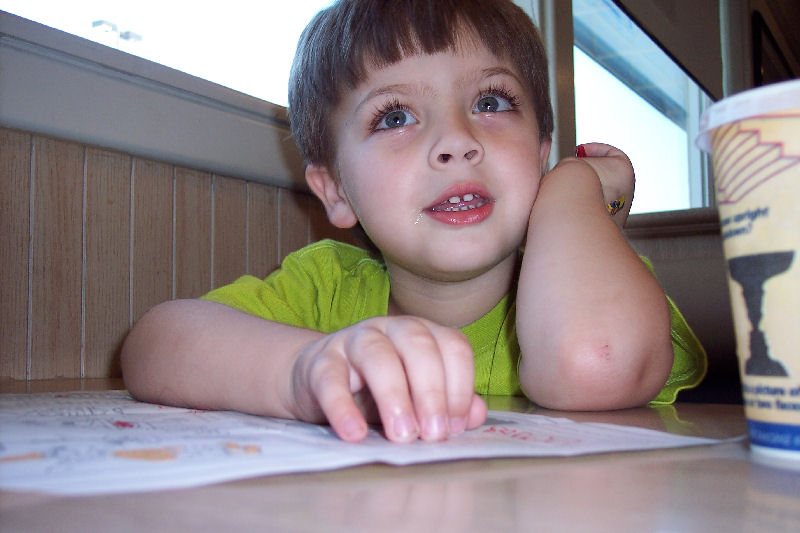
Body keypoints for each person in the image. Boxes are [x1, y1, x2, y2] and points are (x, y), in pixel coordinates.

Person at [121, 0, 706, 444]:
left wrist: (572, 190)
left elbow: (594, 362)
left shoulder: (596, 288)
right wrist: (302, 370)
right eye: (395, 116)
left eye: (490, 103)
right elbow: (153, 346)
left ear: (540, 154)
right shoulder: (328, 287)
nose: (456, 141)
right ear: (335, 189)